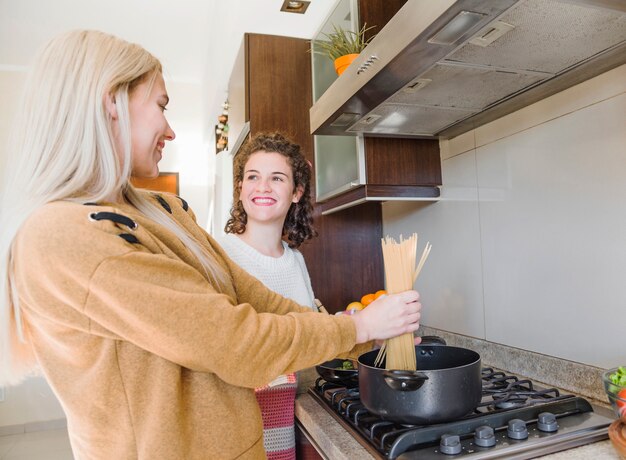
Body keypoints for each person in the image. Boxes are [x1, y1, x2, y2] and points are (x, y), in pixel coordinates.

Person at [0, 30, 422, 460]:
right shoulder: (63, 236)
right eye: (162, 106)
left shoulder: (159, 211)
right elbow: (234, 342)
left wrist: (364, 333)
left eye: (278, 178)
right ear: (113, 100)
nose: (170, 130)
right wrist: (361, 327)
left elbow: (257, 301)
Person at [219, 132, 318, 459]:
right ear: (241, 188)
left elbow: (308, 334)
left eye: (277, 178)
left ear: (296, 192)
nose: (262, 187)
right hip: (239, 432)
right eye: (253, 177)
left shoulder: (296, 261)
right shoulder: (221, 255)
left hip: (284, 429)